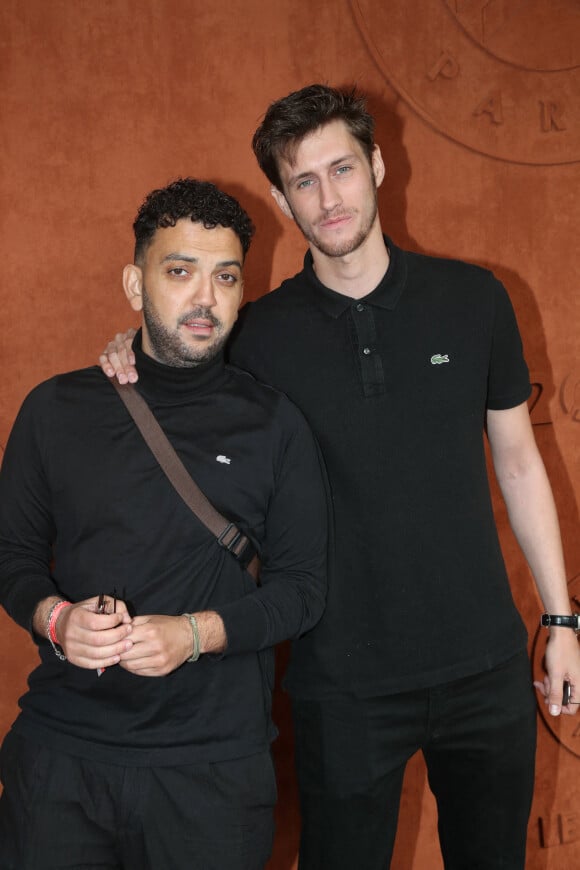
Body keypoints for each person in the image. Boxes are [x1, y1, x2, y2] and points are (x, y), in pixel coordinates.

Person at [99, 86, 580, 869]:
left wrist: (560, 622)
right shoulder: (257, 337)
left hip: (485, 671)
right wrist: (131, 343)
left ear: (378, 166)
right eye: (304, 182)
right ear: (285, 202)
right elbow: (177, 360)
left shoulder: (474, 301)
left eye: (342, 169)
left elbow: (520, 460)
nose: (329, 198)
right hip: (341, 684)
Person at [0, 177, 328, 870]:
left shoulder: (275, 424)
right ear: (134, 283)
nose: (204, 298)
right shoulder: (55, 410)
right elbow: (13, 555)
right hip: (63, 762)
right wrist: (56, 619)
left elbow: (303, 590)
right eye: (180, 271)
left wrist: (194, 634)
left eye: (226, 277)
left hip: (212, 774)